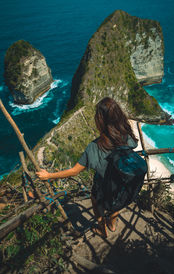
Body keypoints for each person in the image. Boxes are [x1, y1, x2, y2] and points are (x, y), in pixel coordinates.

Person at [36, 97, 138, 237]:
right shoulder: (127, 136)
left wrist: (48, 175)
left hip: (103, 185)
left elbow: (74, 171)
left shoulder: (94, 147)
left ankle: (103, 230)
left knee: (96, 202)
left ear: (100, 120)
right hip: (122, 182)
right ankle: (112, 225)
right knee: (117, 203)